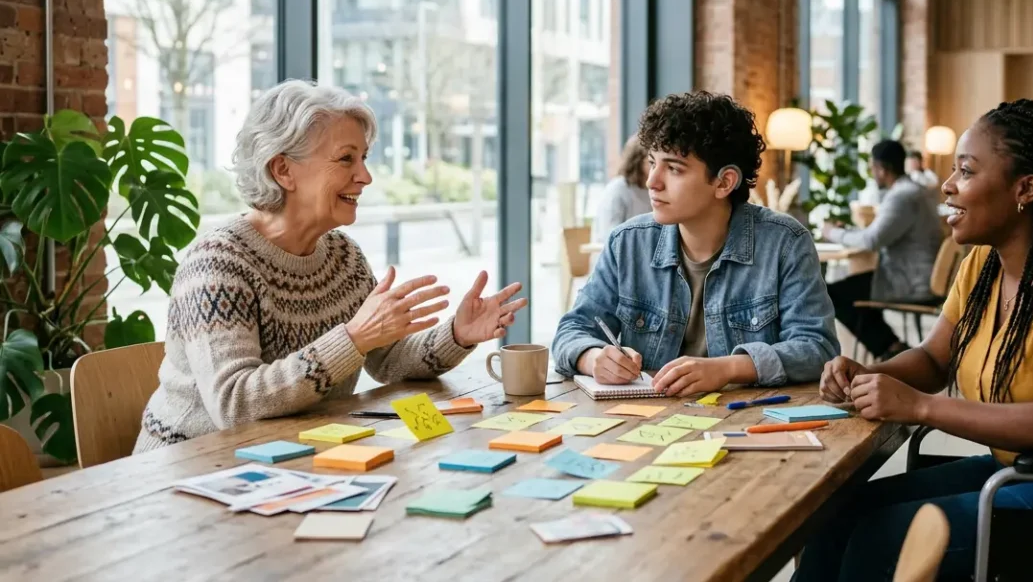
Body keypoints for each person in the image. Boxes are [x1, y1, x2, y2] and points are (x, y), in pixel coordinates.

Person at [794, 100, 1033, 581]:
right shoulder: (982, 265)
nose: (947, 185)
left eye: (966, 172)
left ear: (1026, 189)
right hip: (1025, 471)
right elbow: (933, 359)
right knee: (834, 515)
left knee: (881, 539)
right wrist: (868, 374)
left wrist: (920, 407)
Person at [134, 80, 528, 453]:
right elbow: (235, 405)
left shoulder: (342, 256)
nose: (366, 176)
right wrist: (353, 338)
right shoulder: (218, 265)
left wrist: (457, 334)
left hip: (298, 455)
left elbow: (387, 360)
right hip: (188, 468)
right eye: (346, 159)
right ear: (283, 170)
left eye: (364, 158)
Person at [551, 91, 839, 396]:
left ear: (724, 182)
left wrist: (728, 368)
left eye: (673, 168)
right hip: (648, 423)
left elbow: (817, 347)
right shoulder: (627, 243)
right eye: (652, 163)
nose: (652, 181)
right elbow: (572, 330)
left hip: (747, 422)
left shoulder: (785, 243)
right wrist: (593, 357)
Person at [822, 140, 943, 359]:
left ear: (880, 168)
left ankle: (890, 349)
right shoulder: (918, 191)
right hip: (922, 276)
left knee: (829, 294)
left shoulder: (901, 197)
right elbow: (881, 234)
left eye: (872, 168)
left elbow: (872, 241)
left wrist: (832, 233)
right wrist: (848, 231)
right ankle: (892, 347)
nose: (872, 174)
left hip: (910, 282)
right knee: (851, 291)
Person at [591, 135, 653, 242]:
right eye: (652, 162)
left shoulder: (651, 189)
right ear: (638, 161)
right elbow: (609, 235)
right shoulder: (618, 189)